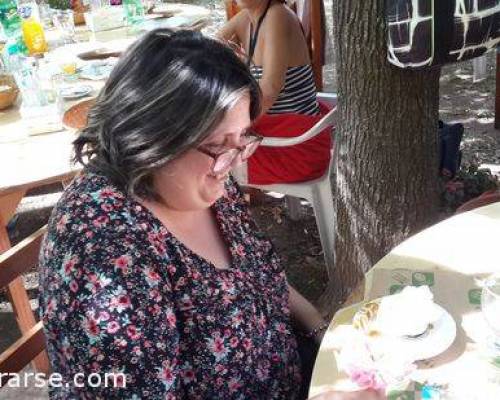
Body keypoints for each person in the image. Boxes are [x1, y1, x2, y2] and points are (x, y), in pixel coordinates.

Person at [38, 29, 382, 400]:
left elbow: (262, 275)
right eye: (219, 145)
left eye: (242, 140)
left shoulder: (202, 180)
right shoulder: (104, 252)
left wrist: (323, 333)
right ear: (151, 136)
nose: (231, 164)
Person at [218, 0, 332, 185]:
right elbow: (204, 54)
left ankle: (220, 211)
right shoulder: (246, 18)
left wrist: (223, 126)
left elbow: (270, 89)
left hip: (295, 150)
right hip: (277, 138)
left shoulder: (277, 16)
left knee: (193, 157)